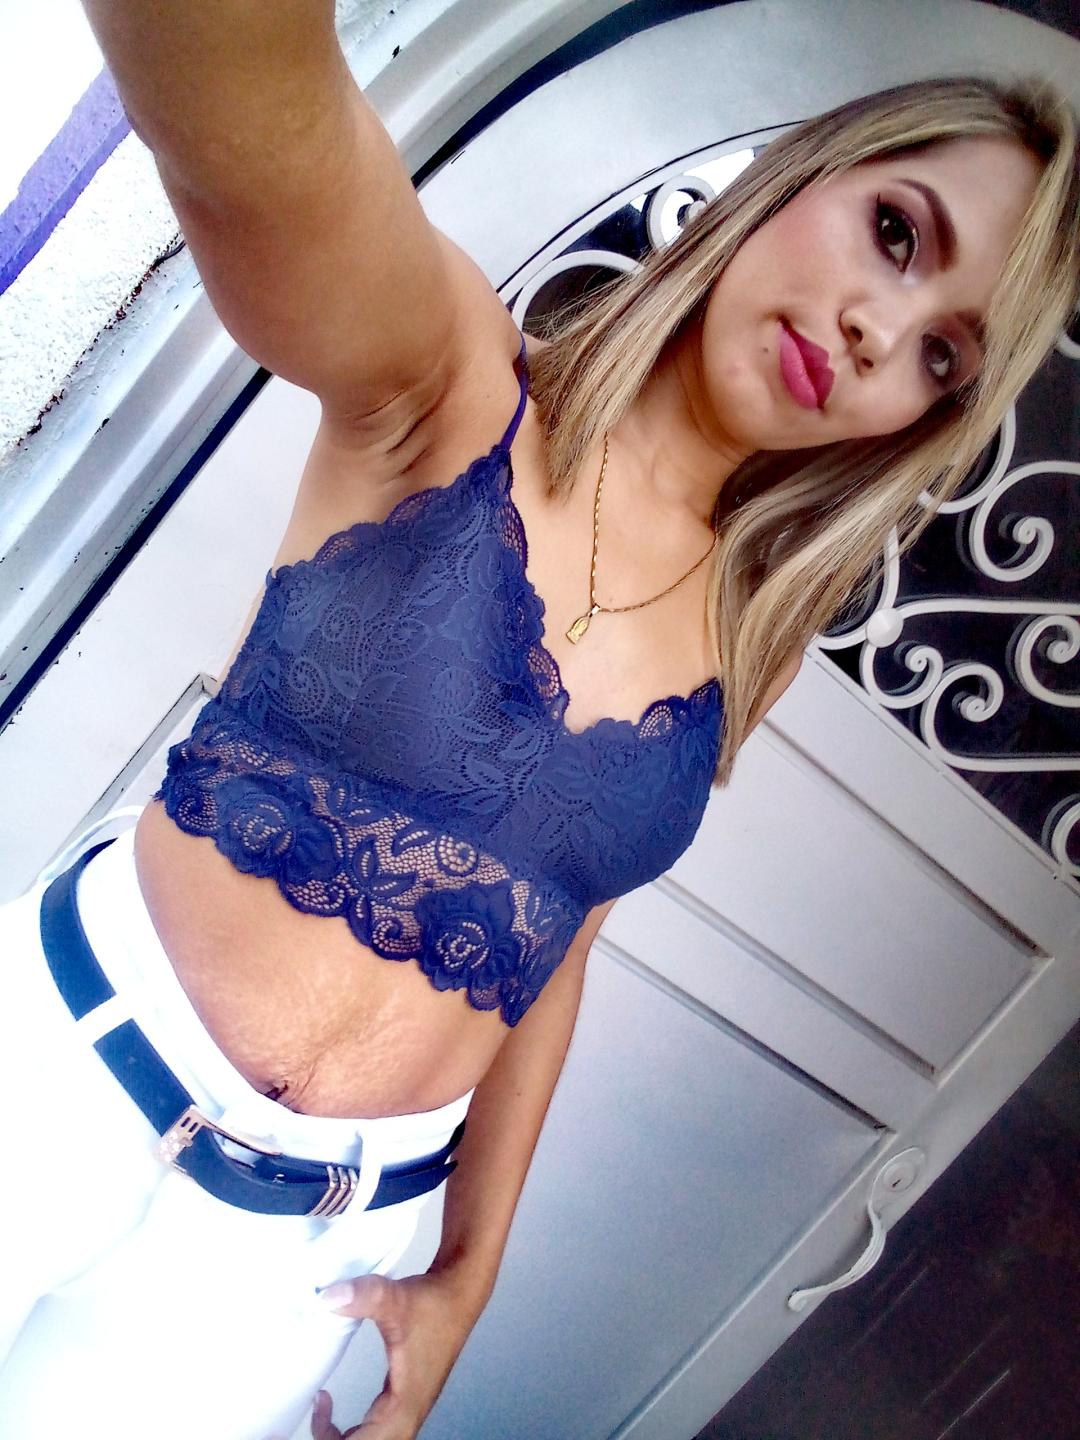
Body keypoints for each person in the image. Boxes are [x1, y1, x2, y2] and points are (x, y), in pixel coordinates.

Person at [1, 1, 1077, 1436]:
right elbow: (248, 124)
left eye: (943, 357)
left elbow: (554, 941)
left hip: (298, 1261)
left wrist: (466, 1279)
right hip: (60, 1078)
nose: (879, 332)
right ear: (805, 174)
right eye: (896, 232)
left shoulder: (743, 642)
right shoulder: (448, 382)